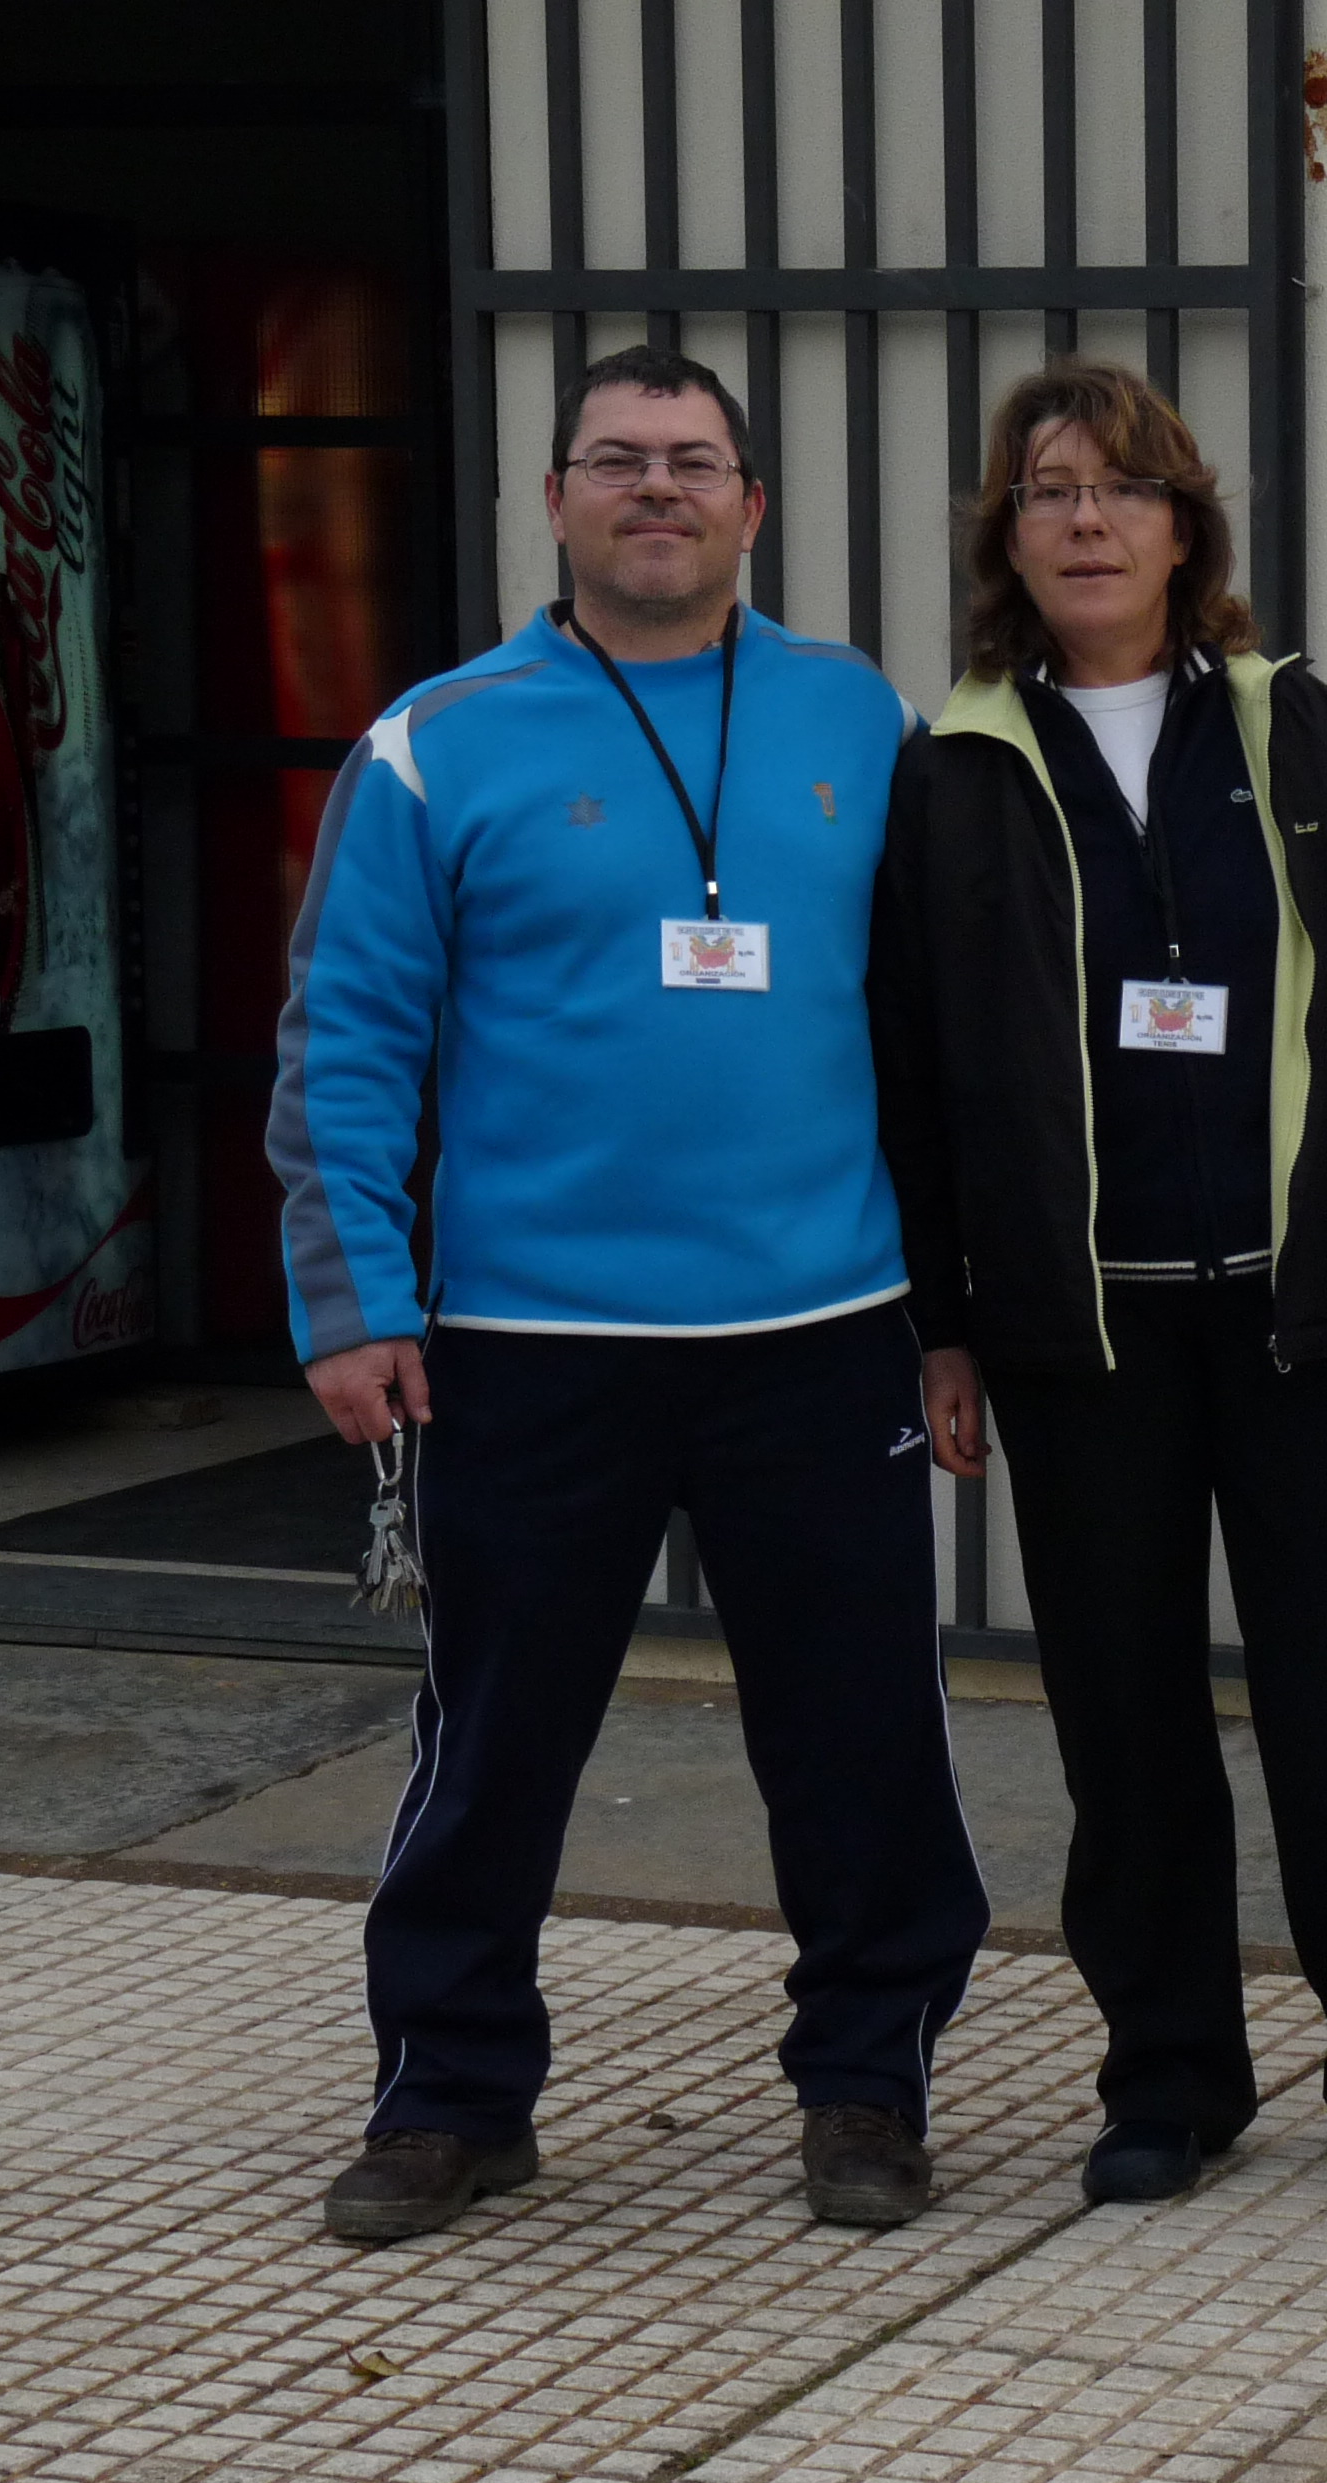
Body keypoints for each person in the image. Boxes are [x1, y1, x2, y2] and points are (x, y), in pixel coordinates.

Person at [271, 344, 986, 2243]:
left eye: (691, 460)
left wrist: (952, 1312)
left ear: (752, 503)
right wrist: (351, 1299)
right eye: (615, 460)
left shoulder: (860, 719)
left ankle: (868, 2083)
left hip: (816, 1331)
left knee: (862, 1740)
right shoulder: (435, 743)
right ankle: (450, 2095)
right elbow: (346, 1039)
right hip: (530, 1343)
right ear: (555, 501)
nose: (655, 488)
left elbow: (931, 1036)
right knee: (495, 1742)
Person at [872, 360, 1327, 2208]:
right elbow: (913, 1067)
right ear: (1007, 537)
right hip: (1085, 1334)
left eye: (1124, 490)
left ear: (1183, 528)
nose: (1087, 521)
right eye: (1049, 491)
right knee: (1125, 1724)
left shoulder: (1306, 733)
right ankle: (1168, 2079)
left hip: (1310, 1318)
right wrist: (942, 1321)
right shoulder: (954, 769)